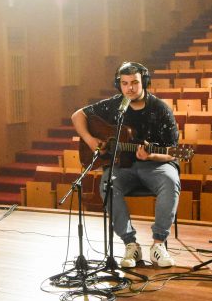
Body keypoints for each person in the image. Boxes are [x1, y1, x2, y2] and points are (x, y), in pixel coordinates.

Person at [71, 61, 180, 268]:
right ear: (118, 85)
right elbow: (78, 116)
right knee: (108, 184)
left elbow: (172, 152)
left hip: (155, 165)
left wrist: (151, 156)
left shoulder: (160, 109)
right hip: (122, 166)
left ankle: (158, 244)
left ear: (144, 82)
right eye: (125, 83)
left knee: (170, 180)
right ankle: (131, 245)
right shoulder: (115, 105)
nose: (130, 88)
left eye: (135, 82)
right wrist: (91, 141)